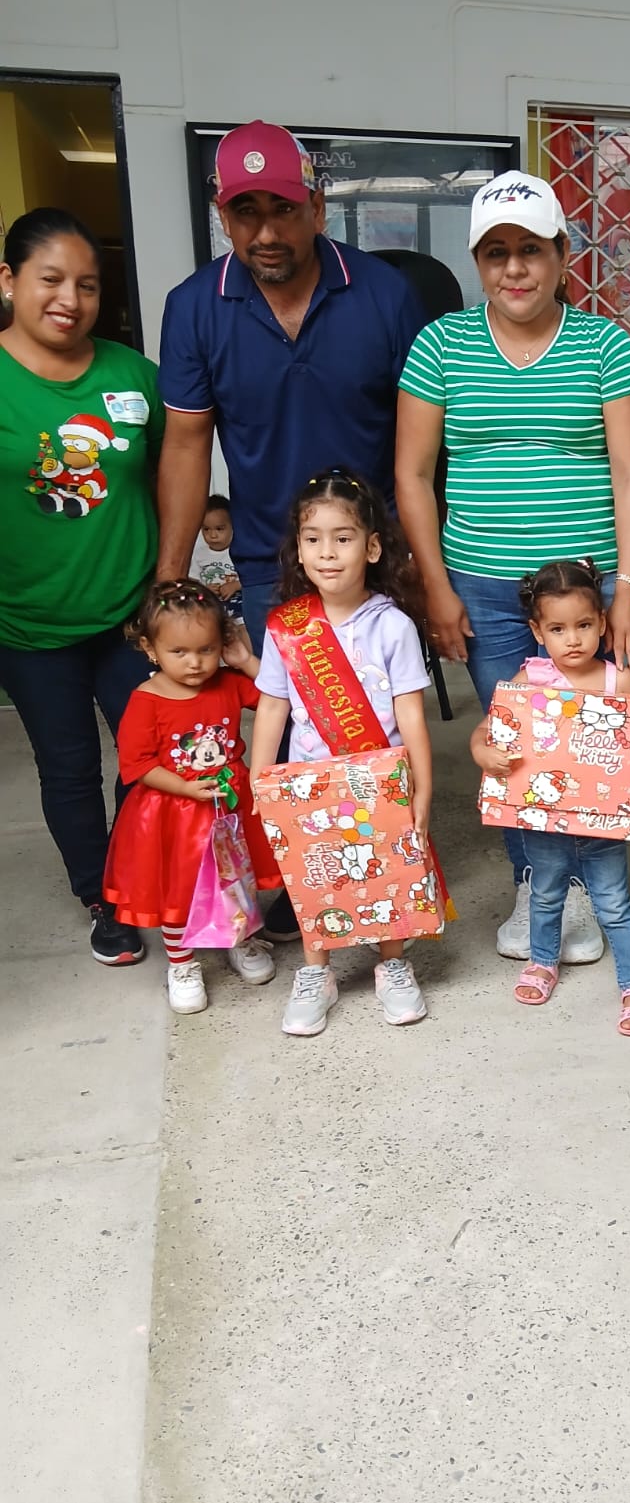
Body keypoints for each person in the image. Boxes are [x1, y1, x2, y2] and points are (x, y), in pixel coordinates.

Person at [155, 119, 426, 939]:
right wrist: (171, 582)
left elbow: (421, 445)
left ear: (317, 206)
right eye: (246, 212)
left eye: (282, 209)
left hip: (375, 558)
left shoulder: (384, 294)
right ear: (222, 214)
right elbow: (186, 445)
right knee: (292, 726)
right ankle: (303, 884)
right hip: (272, 559)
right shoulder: (194, 307)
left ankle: (390, 872)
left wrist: (423, 563)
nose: (266, 231)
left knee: (379, 719)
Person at [396, 170, 630, 966]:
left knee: (596, 732)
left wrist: (629, 587)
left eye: (531, 249)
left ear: (562, 255)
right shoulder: (441, 344)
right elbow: (412, 474)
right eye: (496, 252)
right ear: (478, 261)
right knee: (515, 736)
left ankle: (591, 885)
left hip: (586, 587)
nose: (515, 267)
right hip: (482, 584)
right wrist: (436, 586)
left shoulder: (604, 345)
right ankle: (536, 882)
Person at [0, 207, 163, 966]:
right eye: (52, 280)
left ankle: (136, 872)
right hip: (28, 625)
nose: (71, 299)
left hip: (130, 614)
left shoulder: (132, 375)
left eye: (88, 285)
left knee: (148, 755)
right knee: (67, 767)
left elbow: (170, 472)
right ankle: (103, 896)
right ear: (9, 280)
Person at [249, 471, 434, 1038]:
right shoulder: (287, 627)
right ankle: (316, 973)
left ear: (372, 547)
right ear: (298, 548)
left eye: (343, 538)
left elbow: (410, 713)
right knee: (315, 876)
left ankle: (392, 963)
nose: (327, 552)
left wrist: (422, 787)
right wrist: (260, 777)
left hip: (379, 776)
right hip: (307, 780)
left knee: (386, 873)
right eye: (313, 538)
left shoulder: (394, 626)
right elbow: (273, 705)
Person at [469, 560, 630, 1035]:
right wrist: (482, 751)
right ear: (538, 631)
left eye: (584, 625)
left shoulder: (618, 682)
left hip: (603, 822)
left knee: (614, 903)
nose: (572, 639)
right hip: (543, 819)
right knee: (546, 891)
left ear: (603, 623)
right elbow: (487, 728)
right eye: (557, 629)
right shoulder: (526, 682)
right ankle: (542, 961)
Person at [102, 579, 280, 1013]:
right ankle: (182, 963)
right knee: (177, 890)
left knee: (237, 878)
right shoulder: (146, 700)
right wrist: (183, 787)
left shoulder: (228, 683)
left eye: (206, 649)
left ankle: (241, 940)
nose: (195, 662)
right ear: (150, 648)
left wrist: (245, 660)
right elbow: (137, 763)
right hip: (173, 814)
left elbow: (279, 696)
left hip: (229, 808)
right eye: (178, 652)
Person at [190, 493, 248, 640]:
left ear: (233, 525)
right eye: (206, 529)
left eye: (219, 529)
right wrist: (205, 589)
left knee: (243, 628)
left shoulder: (240, 551)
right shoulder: (199, 554)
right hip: (211, 603)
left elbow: (251, 576)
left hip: (238, 601)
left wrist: (235, 585)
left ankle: (249, 655)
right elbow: (192, 582)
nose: (213, 535)